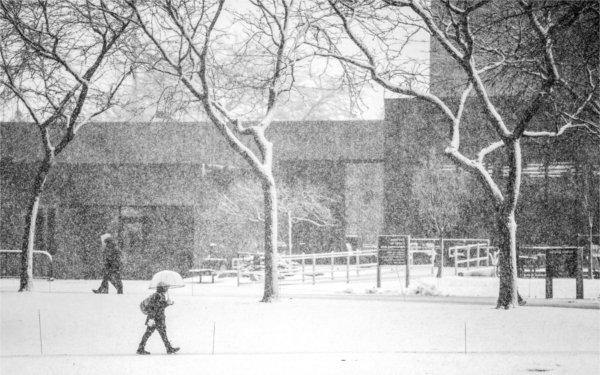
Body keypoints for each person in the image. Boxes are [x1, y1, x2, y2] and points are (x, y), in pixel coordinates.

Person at [137, 283, 180, 355]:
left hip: (155, 318)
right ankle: (168, 348)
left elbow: (158, 306)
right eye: (166, 287)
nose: (167, 289)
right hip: (156, 318)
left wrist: (167, 303)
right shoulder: (158, 295)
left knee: (152, 334)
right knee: (157, 334)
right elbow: (156, 307)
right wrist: (167, 303)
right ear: (162, 288)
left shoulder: (158, 295)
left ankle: (141, 348)